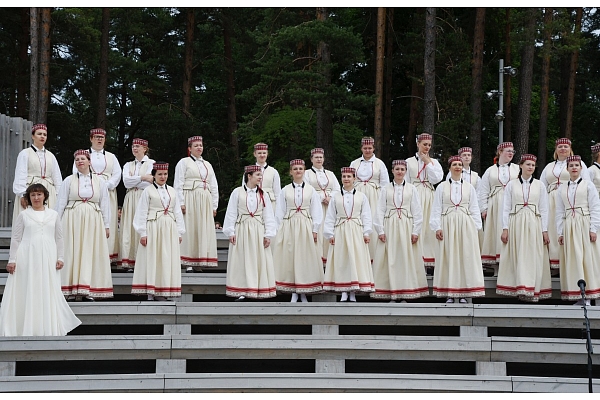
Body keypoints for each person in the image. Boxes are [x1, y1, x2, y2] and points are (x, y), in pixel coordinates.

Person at [0, 184, 81, 336]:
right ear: (29, 198)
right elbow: (16, 238)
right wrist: (12, 260)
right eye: (33, 195)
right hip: (27, 256)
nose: (36, 198)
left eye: (39, 194)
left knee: (47, 287)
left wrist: (61, 257)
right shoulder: (24, 215)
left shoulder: (53, 215)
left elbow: (59, 237)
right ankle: (26, 327)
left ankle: (46, 327)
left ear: (45, 196)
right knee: (29, 288)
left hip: (49, 256)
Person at [56, 150, 113, 301]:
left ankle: (87, 289)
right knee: (72, 252)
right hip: (72, 219)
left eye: (83, 158)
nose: (80, 161)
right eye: (77, 159)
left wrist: (106, 225)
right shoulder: (68, 180)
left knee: (89, 252)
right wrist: (56, 224)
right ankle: (69, 289)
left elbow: (105, 204)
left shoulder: (100, 182)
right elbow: (61, 203)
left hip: (93, 220)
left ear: (89, 161)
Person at [371, 160, 429, 302]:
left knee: (405, 258)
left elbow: (417, 211)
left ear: (405, 171)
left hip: (406, 226)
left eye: (402, 169)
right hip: (390, 226)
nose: (399, 172)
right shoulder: (385, 189)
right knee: (390, 259)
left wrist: (416, 231)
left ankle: (405, 293)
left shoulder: (411, 188)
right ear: (392, 171)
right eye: (397, 169)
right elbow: (379, 210)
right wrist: (380, 230)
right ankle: (392, 293)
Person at [496, 154, 551, 302]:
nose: (531, 167)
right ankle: (520, 287)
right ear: (521, 166)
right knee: (518, 254)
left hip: (534, 222)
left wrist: (544, 230)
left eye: (533, 165)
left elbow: (544, 209)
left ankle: (532, 288)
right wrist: (505, 228)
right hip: (516, 222)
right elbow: (506, 208)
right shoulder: (511, 185)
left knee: (532, 255)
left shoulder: (540, 185)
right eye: (528, 164)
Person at [430, 155, 483, 303]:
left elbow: (474, 208)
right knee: (449, 257)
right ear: (450, 167)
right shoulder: (441, 187)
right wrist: (437, 227)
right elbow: (436, 208)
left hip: (465, 225)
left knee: (464, 257)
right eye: (455, 164)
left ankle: (463, 293)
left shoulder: (469, 187)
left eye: (460, 164)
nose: (458, 167)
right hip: (447, 224)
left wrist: (476, 227)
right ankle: (450, 293)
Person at [131, 162, 186, 301]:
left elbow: (177, 212)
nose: (163, 176)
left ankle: (164, 290)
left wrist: (180, 231)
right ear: (154, 175)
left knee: (167, 258)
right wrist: (142, 232)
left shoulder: (173, 191)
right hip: (154, 227)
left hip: (169, 228)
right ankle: (152, 291)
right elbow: (142, 212)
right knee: (153, 258)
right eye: (160, 174)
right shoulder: (148, 191)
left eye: (165, 174)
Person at [224, 165, 277, 301]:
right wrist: (231, 231)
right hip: (242, 228)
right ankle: (243, 290)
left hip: (258, 229)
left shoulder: (263, 194)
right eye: (258, 174)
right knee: (243, 259)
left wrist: (268, 234)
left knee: (258, 259)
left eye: (261, 175)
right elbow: (231, 213)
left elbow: (268, 215)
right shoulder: (237, 192)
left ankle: (258, 289)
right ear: (249, 176)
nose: (260, 177)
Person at [273, 159, 324, 302]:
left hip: (305, 226)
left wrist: (315, 229)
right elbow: (279, 212)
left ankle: (303, 290)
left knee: (304, 257)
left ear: (304, 170)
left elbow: (317, 211)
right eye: (295, 169)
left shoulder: (311, 190)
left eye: (300, 168)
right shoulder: (284, 190)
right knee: (291, 257)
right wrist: (279, 230)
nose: (298, 171)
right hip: (290, 225)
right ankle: (294, 291)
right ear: (291, 172)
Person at [323, 167, 374, 302]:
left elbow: (366, 215)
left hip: (356, 230)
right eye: (344, 176)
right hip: (340, 230)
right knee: (342, 259)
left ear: (354, 179)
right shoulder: (335, 197)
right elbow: (330, 216)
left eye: (349, 176)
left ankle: (353, 291)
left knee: (354, 259)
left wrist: (366, 232)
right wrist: (330, 233)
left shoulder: (361, 196)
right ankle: (344, 290)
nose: (346, 179)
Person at [72, 128, 122, 265]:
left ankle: (108, 255)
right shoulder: (84, 154)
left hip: (108, 190)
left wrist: (108, 184)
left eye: (102, 137)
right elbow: (76, 171)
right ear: (91, 138)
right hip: (88, 190)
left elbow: (117, 173)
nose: (99, 139)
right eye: (96, 137)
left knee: (108, 219)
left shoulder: (111, 157)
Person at [540, 138, 591, 272]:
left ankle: (569, 264)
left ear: (570, 149)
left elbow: (585, 183)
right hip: (551, 201)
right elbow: (542, 186)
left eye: (566, 146)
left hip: (570, 200)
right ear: (556, 150)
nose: (563, 149)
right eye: (560, 146)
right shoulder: (549, 166)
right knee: (552, 229)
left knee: (569, 230)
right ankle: (554, 265)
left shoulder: (578, 164)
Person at [556, 155, 600, 306]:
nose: (574, 167)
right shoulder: (562, 188)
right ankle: (578, 294)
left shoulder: (588, 185)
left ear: (581, 168)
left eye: (577, 165)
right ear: (567, 169)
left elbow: (595, 207)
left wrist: (593, 229)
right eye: (571, 165)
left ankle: (588, 295)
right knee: (573, 258)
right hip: (569, 225)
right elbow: (559, 211)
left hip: (584, 224)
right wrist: (560, 232)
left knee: (586, 258)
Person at [174, 136, 219, 273]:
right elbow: (178, 183)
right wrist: (180, 202)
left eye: (201, 145)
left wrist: (214, 205)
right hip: (190, 198)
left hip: (204, 200)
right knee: (190, 228)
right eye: (196, 145)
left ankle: (199, 260)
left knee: (202, 229)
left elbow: (214, 185)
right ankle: (188, 262)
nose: (199, 147)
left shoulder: (208, 164)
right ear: (190, 148)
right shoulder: (184, 162)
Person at [477, 142, 520, 274]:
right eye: (508, 151)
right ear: (500, 151)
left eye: (512, 151)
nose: (511, 153)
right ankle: (496, 268)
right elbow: (483, 190)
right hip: (495, 204)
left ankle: (511, 266)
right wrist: (483, 208)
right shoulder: (490, 170)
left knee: (512, 232)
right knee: (495, 233)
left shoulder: (517, 168)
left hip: (513, 203)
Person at [12, 123, 63, 226]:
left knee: (48, 222)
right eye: (39, 134)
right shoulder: (25, 153)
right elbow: (20, 174)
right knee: (29, 222)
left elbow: (57, 177)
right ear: (33, 136)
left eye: (45, 134)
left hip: (49, 192)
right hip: (30, 191)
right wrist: (23, 194)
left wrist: (58, 195)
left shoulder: (51, 156)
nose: (42, 136)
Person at [406, 133, 444, 270]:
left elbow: (437, 179)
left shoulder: (434, 162)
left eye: (429, 145)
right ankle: (416, 260)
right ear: (418, 144)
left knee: (429, 227)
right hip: (414, 194)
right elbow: (406, 181)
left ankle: (430, 261)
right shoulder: (409, 161)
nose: (427, 147)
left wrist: (428, 162)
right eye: (424, 144)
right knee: (415, 226)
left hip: (429, 195)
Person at [349, 137, 389, 260]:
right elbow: (349, 180)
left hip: (374, 195)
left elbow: (385, 183)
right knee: (358, 220)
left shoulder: (379, 163)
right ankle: (359, 254)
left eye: (370, 148)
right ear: (361, 148)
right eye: (365, 148)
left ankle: (374, 255)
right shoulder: (354, 163)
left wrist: (384, 199)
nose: (367, 150)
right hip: (358, 194)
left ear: (373, 148)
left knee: (373, 219)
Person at [119, 138, 155, 271]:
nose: (135, 148)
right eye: (133, 146)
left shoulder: (152, 163)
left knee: (143, 225)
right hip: (130, 197)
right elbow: (126, 182)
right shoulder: (128, 165)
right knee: (129, 227)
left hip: (144, 196)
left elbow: (151, 181)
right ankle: (130, 261)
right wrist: (142, 177)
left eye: (138, 146)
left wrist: (136, 179)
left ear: (145, 148)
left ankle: (143, 260)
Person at [303, 148, 341, 265]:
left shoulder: (330, 174)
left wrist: (330, 197)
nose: (319, 159)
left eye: (321, 157)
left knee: (330, 229)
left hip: (329, 206)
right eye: (316, 157)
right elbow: (307, 189)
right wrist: (320, 197)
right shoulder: (307, 173)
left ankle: (329, 260)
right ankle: (317, 261)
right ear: (311, 159)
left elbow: (337, 188)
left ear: (324, 159)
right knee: (318, 231)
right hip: (316, 206)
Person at [247, 143, 281, 210]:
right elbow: (244, 190)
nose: (262, 155)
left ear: (267, 154)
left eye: (264, 153)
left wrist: (278, 209)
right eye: (259, 153)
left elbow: (278, 193)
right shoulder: (248, 172)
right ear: (254, 154)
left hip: (270, 206)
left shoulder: (274, 172)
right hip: (253, 204)